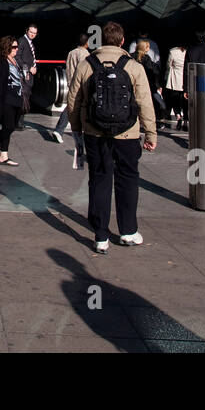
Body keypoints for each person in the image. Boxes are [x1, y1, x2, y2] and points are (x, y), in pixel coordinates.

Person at [66, 21, 157, 253]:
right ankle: (128, 231)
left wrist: (77, 127)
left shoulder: (88, 64)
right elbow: (145, 102)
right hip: (127, 133)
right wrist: (150, 132)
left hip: (95, 132)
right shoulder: (134, 66)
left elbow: (73, 99)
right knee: (127, 179)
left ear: (101, 40)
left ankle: (101, 235)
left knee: (99, 179)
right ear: (123, 41)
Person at [0, 36, 23, 167]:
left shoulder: (14, 60)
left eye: (17, 47)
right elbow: (0, 82)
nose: (16, 49)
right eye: (14, 47)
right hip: (7, 99)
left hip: (16, 98)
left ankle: (4, 154)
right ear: (7, 47)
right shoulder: (2, 61)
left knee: (11, 126)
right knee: (9, 126)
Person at [56, 32, 92, 155]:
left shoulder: (71, 52)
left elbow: (68, 68)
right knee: (74, 106)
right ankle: (60, 130)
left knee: (72, 105)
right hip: (80, 84)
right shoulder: (85, 54)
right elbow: (85, 70)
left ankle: (61, 130)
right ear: (87, 43)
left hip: (70, 82)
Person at [133, 38, 165, 120]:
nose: (149, 49)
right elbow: (151, 72)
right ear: (144, 47)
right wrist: (156, 85)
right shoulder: (146, 58)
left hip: (133, 83)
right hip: (145, 84)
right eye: (148, 47)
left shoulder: (131, 56)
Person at [15, 24, 38, 125]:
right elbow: (17, 57)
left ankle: (19, 121)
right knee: (24, 97)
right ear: (26, 31)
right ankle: (18, 122)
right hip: (24, 75)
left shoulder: (30, 43)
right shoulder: (22, 41)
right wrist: (28, 69)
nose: (32, 34)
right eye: (31, 32)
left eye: (34, 33)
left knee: (26, 96)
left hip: (28, 74)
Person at [165, 42, 187, 129]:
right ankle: (185, 121)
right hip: (185, 77)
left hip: (175, 77)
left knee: (175, 99)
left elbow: (169, 64)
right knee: (185, 101)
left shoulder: (173, 51)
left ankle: (178, 117)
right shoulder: (188, 51)